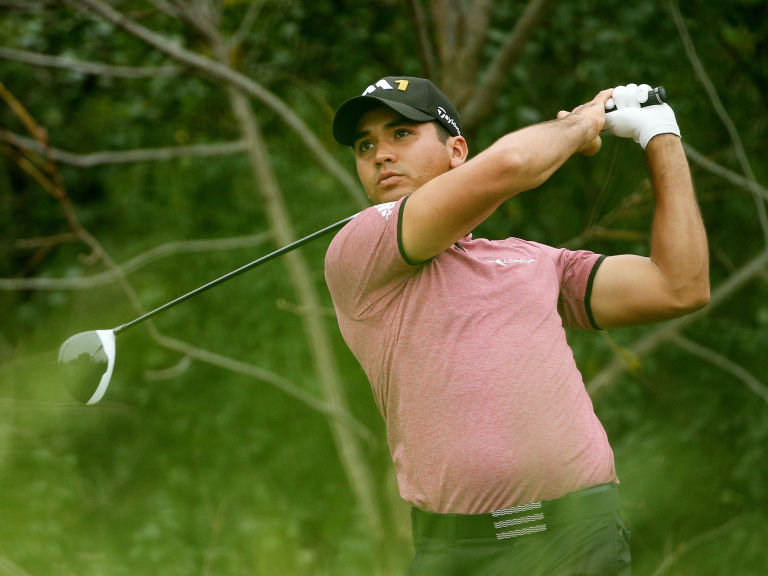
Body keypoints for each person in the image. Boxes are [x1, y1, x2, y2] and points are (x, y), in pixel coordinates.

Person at [324, 76, 709, 575]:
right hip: (458, 554)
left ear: (457, 150)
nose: (379, 155)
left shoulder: (533, 261)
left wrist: (661, 134)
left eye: (401, 134)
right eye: (364, 145)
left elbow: (679, 286)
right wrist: (580, 123)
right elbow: (511, 165)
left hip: (579, 537)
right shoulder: (361, 246)